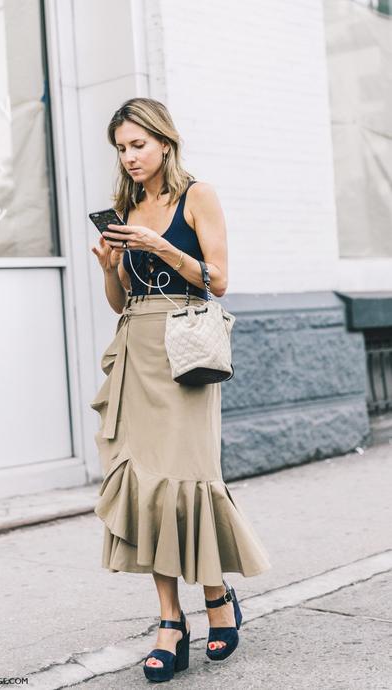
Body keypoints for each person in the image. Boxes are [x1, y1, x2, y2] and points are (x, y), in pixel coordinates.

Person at [90, 97, 271, 683]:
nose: (130, 157)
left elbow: (217, 280)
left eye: (138, 145)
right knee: (143, 485)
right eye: (121, 148)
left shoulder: (199, 196)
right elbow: (123, 301)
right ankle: (171, 619)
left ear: (165, 142)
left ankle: (217, 596)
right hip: (136, 349)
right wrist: (109, 267)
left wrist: (165, 247)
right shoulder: (126, 205)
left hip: (186, 349)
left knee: (189, 482)